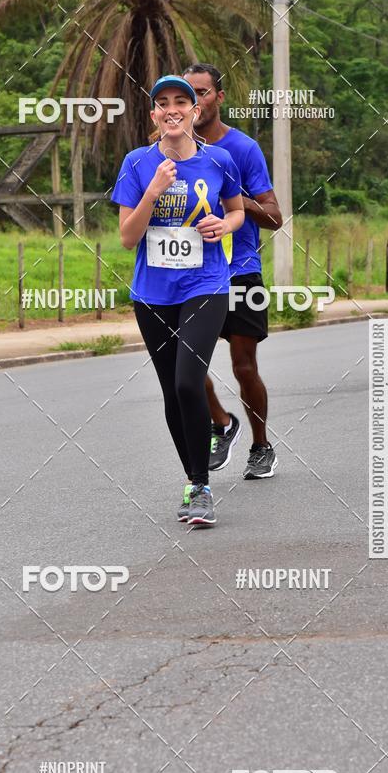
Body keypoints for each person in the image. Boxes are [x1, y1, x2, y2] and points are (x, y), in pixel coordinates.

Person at [111, 75, 244, 526]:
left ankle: (201, 485)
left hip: (206, 285)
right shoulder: (137, 162)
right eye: (162, 103)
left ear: (195, 111)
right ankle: (194, 480)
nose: (172, 109)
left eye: (181, 102)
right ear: (153, 115)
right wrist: (153, 190)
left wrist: (225, 226)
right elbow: (128, 238)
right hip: (152, 294)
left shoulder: (219, 159)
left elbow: (239, 210)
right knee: (171, 389)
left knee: (190, 382)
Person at [182, 63, 283, 478]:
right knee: (185, 362)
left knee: (244, 366)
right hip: (190, 272)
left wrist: (234, 200)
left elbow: (275, 216)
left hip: (240, 270)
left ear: (218, 98)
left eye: (203, 93)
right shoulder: (169, 149)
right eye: (189, 95)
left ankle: (261, 446)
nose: (196, 102)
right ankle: (222, 424)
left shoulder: (242, 149)